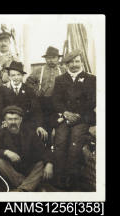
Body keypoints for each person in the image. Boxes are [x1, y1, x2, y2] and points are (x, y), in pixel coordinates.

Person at [52, 49, 96, 190]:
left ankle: (73, 179)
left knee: (75, 143)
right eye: (71, 62)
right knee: (60, 140)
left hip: (83, 118)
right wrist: (65, 113)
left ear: (81, 62)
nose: (74, 64)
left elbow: (92, 101)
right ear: (66, 64)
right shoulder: (60, 79)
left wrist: (77, 116)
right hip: (65, 118)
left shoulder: (91, 79)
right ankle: (59, 178)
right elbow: (56, 101)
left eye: (77, 61)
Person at [0, 105, 54, 192]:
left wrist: (49, 164)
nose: (13, 122)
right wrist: (6, 152)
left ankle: (22, 190)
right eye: (10, 119)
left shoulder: (30, 133)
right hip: (11, 171)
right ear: (5, 120)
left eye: (16, 119)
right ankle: (30, 186)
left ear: (21, 120)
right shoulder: (0, 134)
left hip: (28, 168)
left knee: (42, 164)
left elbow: (43, 151)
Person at [26, 46, 66, 147]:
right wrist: (36, 90)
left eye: (53, 58)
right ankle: (43, 148)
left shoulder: (63, 70)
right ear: (45, 59)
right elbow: (28, 82)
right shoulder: (39, 70)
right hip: (42, 103)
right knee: (42, 126)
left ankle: (53, 149)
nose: (51, 60)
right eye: (48, 58)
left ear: (58, 58)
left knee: (57, 127)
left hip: (58, 104)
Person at [1, 61, 48, 142]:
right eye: (13, 75)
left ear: (22, 76)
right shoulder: (3, 90)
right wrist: (3, 120)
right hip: (8, 122)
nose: (16, 77)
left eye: (18, 75)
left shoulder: (29, 90)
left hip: (26, 123)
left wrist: (39, 125)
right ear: (9, 76)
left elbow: (36, 110)